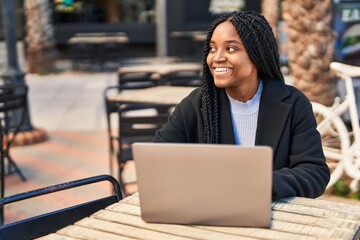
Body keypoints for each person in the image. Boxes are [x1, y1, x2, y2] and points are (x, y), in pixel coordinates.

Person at [153, 11, 330, 200]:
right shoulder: (197, 104)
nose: (217, 58)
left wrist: (261, 185)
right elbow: (158, 159)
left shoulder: (293, 103)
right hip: (210, 212)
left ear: (257, 54)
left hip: (275, 217)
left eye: (231, 49)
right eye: (212, 49)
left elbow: (314, 172)